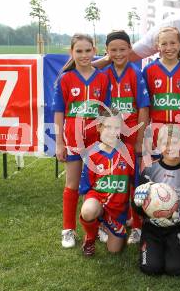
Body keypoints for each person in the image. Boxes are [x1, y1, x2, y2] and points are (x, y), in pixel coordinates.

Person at [52, 33, 111, 248]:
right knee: (73, 184)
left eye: (88, 50)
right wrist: (59, 142)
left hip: (98, 141)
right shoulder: (65, 79)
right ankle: (68, 230)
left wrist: (108, 140)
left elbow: (106, 112)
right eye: (79, 51)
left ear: (95, 51)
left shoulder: (103, 78)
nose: (84, 55)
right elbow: (59, 112)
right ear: (71, 53)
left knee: (99, 183)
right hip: (74, 140)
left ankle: (100, 224)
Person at [132, 124, 180, 276]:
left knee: (176, 269)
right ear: (157, 145)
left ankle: (177, 249)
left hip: (178, 227)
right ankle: (153, 247)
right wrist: (137, 202)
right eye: (165, 143)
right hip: (153, 227)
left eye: (174, 143)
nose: (170, 147)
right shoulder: (150, 170)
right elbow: (138, 205)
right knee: (150, 268)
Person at [103, 30, 150, 244]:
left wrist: (139, 139)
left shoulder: (135, 73)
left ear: (130, 49)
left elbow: (143, 107)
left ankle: (137, 226)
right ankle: (109, 222)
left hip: (130, 135)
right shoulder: (104, 73)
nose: (119, 53)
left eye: (123, 49)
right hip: (110, 136)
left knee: (134, 182)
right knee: (110, 179)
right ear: (107, 52)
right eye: (113, 50)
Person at [78, 107, 135, 256]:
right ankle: (91, 236)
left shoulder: (127, 150)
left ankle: (109, 224)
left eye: (116, 127)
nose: (112, 131)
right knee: (88, 210)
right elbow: (85, 189)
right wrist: (89, 214)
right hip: (98, 201)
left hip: (117, 210)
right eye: (108, 126)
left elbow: (134, 183)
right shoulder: (92, 153)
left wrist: (133, 217)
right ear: (99, 127)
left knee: (114, 250)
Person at [142, 26, 180, 151]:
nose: (169, 47)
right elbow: (145, 106)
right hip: (157, 129)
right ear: (158, 46)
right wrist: (145, 134)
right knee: (157, 167)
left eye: (173, 43)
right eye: (164, 44)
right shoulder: (149, 70)